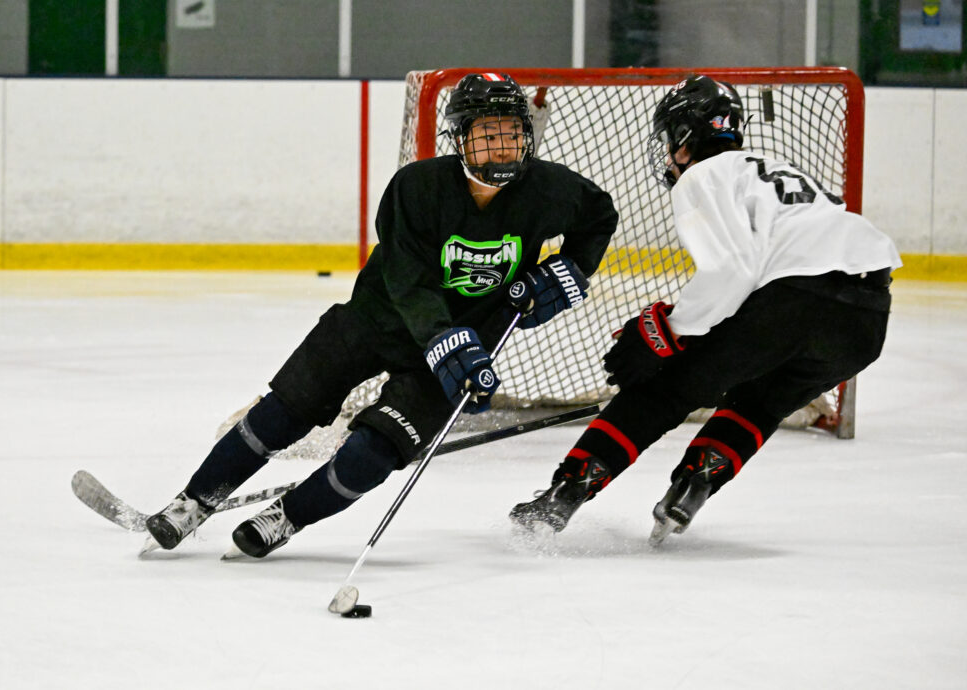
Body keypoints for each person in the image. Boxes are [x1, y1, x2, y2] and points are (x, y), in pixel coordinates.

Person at [142, 72, 619, 557]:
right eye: (488, 134)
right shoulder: (417, 187)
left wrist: (568, 270)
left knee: (373, 453)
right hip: (374, 323)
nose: (502, 147)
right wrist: (443, 337)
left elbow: (600, 214)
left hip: (459, 349)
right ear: (460, 138)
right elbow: (410, 281)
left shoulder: (549, 189)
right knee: (283, 411)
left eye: (513, 133)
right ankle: (193, 503)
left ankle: (287, 517)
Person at [509, 75, 902, 546]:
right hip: (866, 320)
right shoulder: (774, 167)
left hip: (794, 300)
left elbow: (731, 271)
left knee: (662, 388)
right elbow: (752, 276)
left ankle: (565, 493)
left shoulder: (703, 175)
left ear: (684, 137)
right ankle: (695, 483)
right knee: (761, 401)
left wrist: (664, 333)